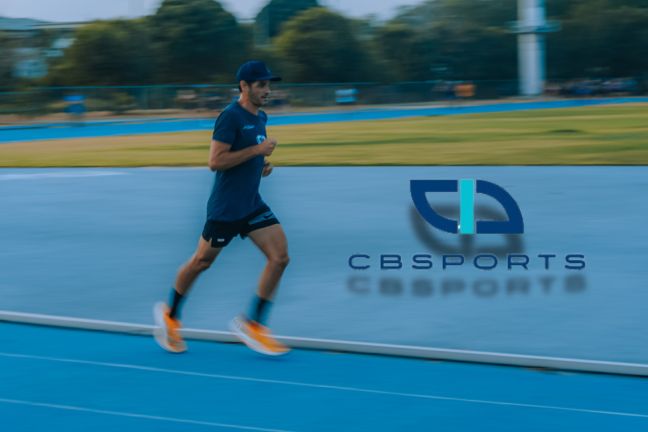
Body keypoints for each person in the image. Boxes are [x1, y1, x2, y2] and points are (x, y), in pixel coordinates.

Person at [153, 60, 290, 356]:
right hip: (226, 209)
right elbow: (216, 161)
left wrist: (260, 165)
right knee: (202, 261)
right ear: (244, 86)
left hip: (251, 204)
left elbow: (244, 155)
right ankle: (170, 316)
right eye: (262, 85)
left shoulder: (261, 117)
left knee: (280, 257)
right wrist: (257, 151)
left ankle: (253, 324)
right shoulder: (230, 117)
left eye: (269, 84)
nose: (268, 90)